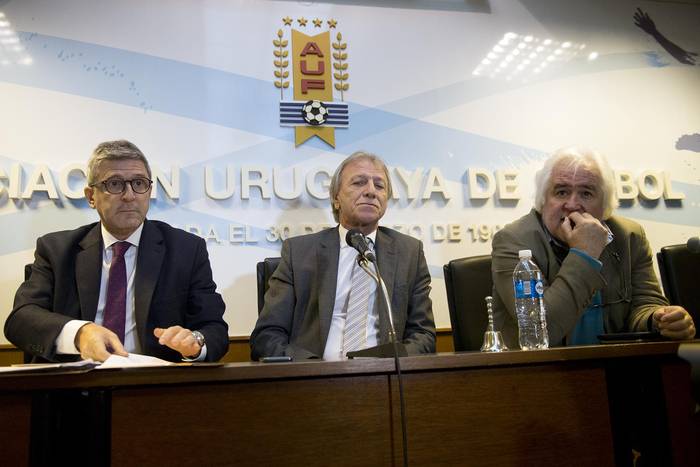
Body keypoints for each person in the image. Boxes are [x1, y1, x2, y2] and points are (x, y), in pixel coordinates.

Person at [5, 140, 228, 362]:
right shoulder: (57, 250)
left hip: (154, 387)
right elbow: (21, 319)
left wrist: (195, 342)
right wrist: (80, 333)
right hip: (75, 387)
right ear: (91, 196)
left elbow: (214, 328)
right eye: (114, 184)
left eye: (139, 183)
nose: (129, 195)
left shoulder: (186, 250)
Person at [491, 146, 696, 348]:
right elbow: (543, 330)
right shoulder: (512, 241)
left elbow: (645, 304)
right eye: (561, 192)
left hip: (614, 367)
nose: (572, 204)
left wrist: (660, 320)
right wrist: (585, 253)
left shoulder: (629, 236)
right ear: (543, 200)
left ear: (605, 205)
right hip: (538, 373)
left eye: (586, 193)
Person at [250, 151, 435, 360]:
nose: (371, 191)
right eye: (359, 183)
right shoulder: (299, 253)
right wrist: (314, 369)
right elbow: (267, 335)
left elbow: (423, 335)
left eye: (379, 185)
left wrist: (391, 364)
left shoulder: (409, 253)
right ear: (336, 198)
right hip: (314, 380)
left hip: (385, 380)